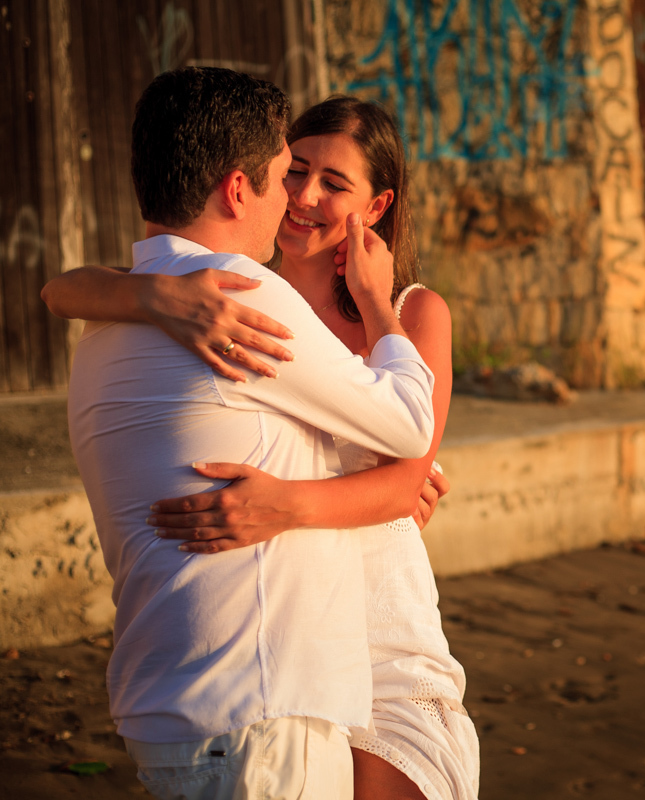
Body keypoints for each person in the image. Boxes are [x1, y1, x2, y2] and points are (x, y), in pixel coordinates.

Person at [44, 92, 479, 800]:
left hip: (373, 614)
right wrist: (154, 296)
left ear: (376, 207)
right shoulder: (224, 293)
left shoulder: (412, 311)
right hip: (280, 640)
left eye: (334, 183)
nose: (304, 196)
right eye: (295, 171)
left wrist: (288, 504)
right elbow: (62, 291)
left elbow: (404, 483)